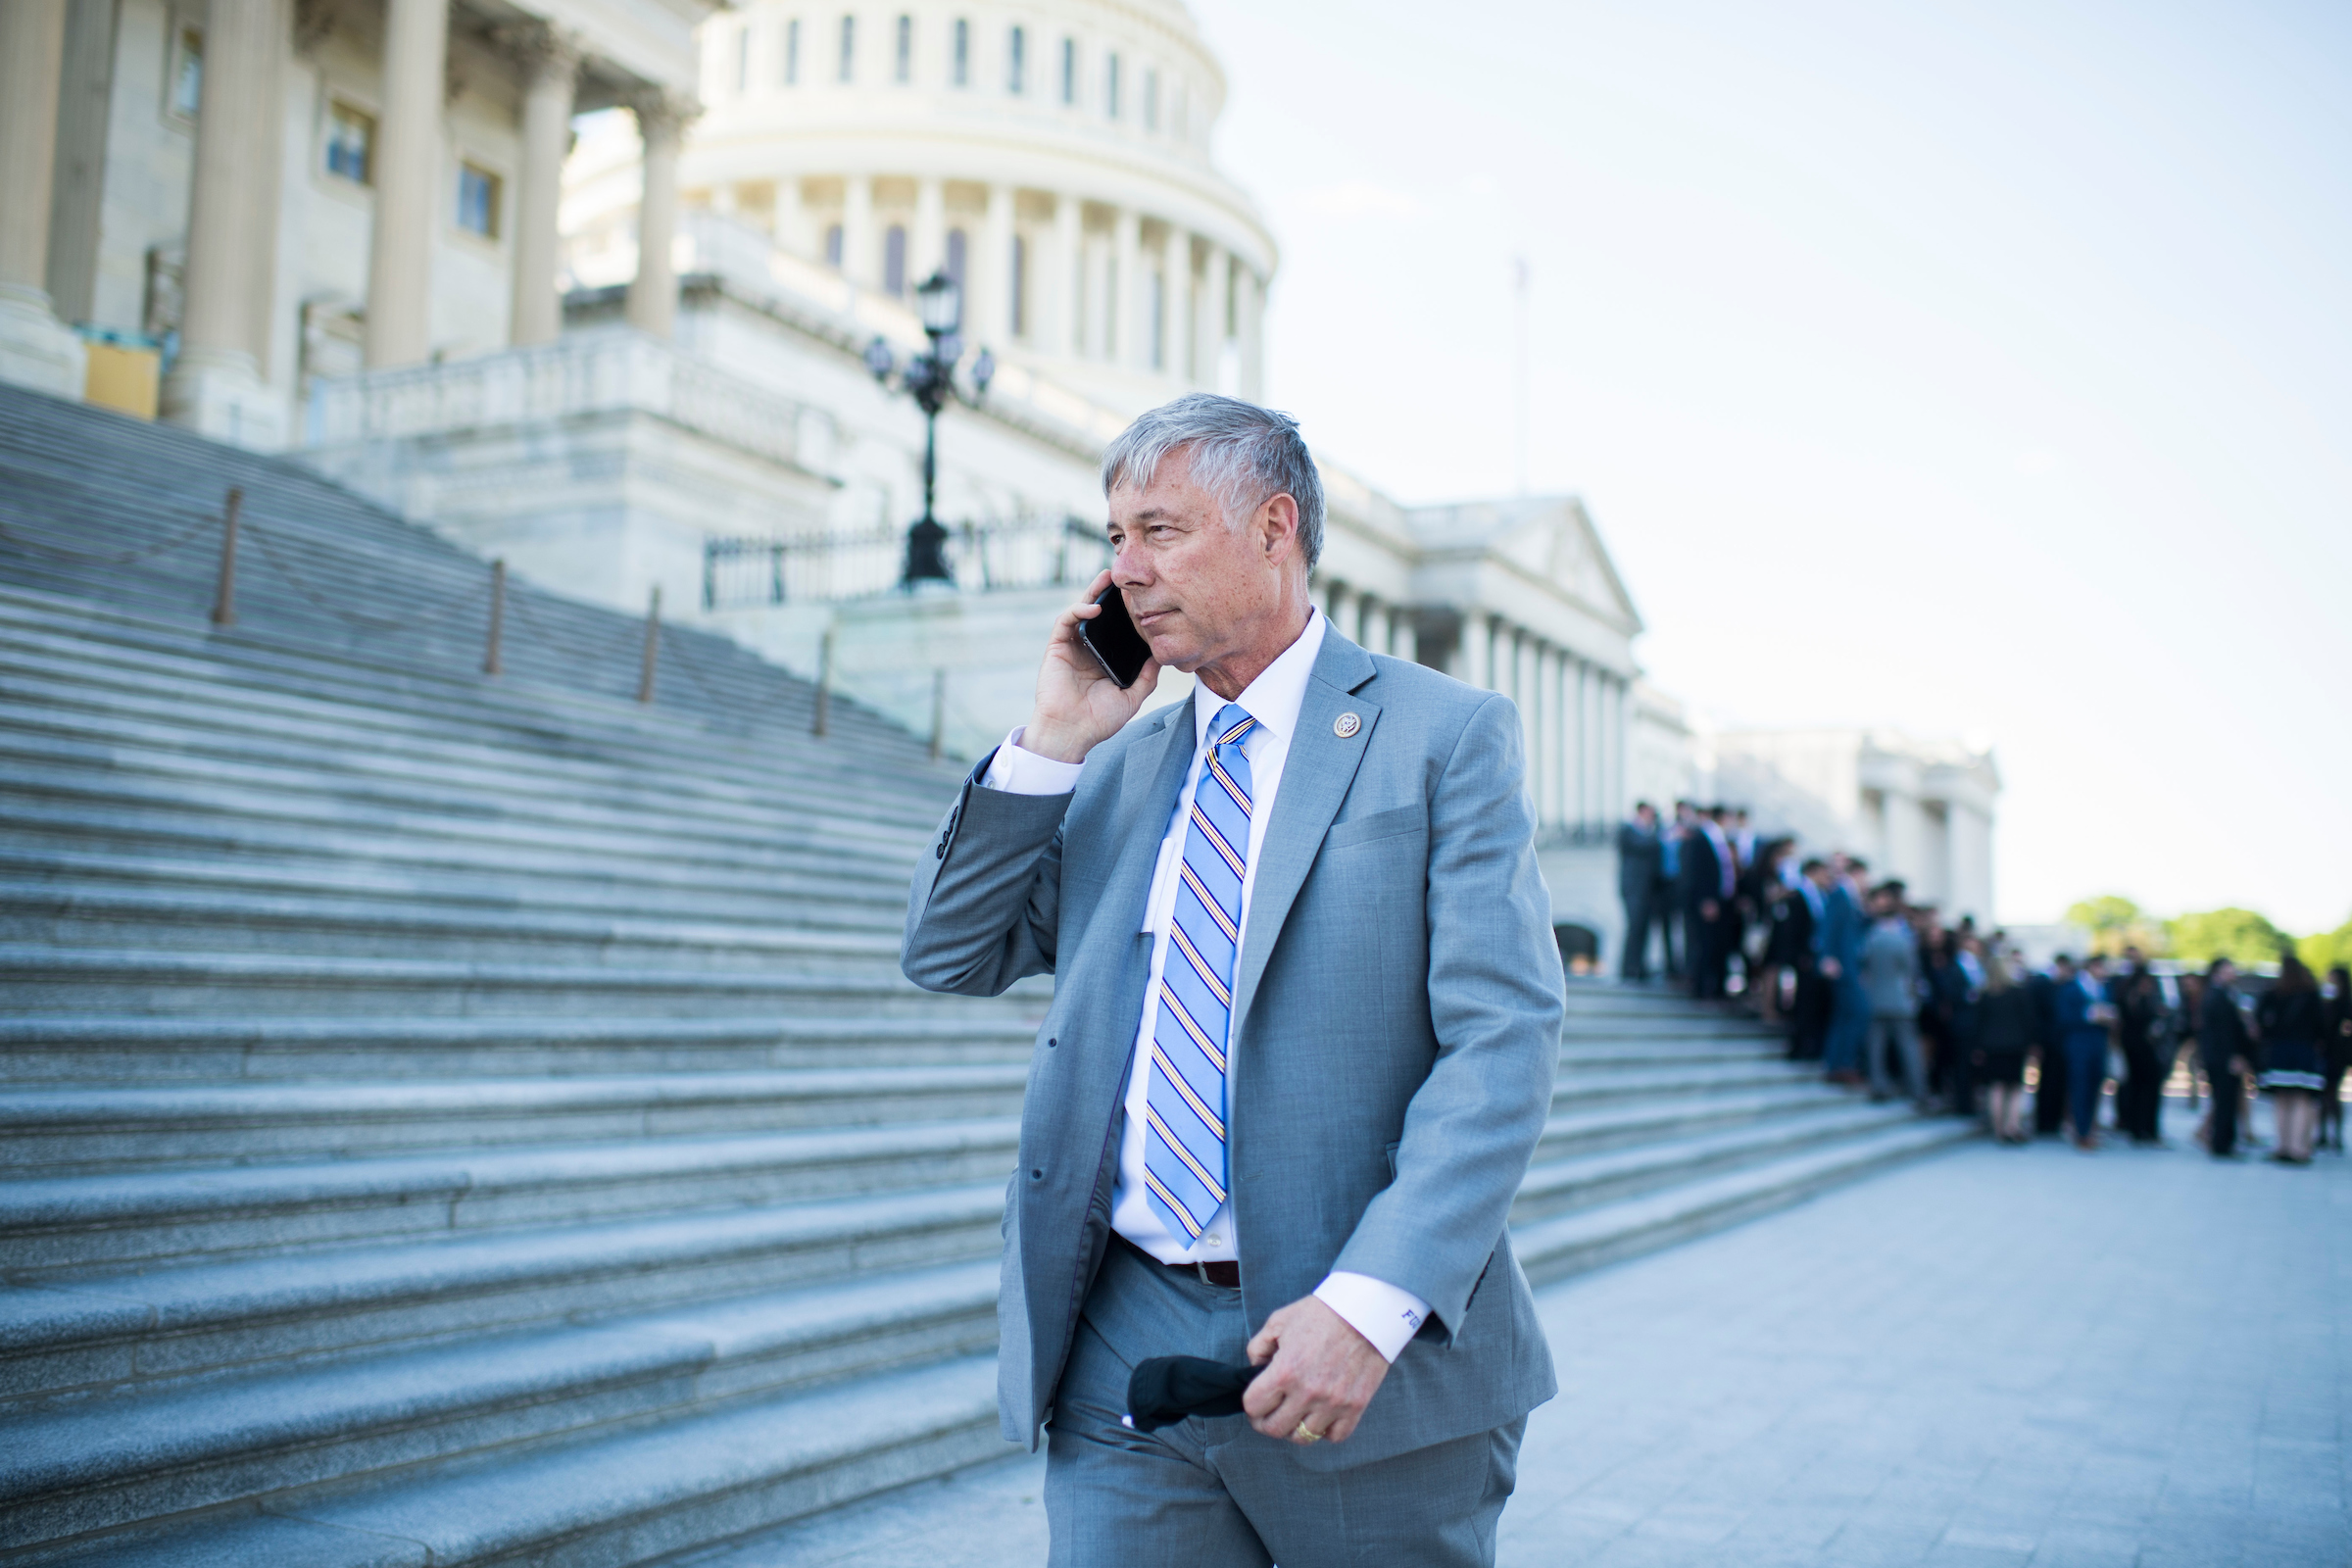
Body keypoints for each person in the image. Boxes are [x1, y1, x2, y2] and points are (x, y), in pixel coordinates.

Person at [901, 394, 1562, 1566]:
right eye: (1113, 538)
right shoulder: (1115, 765)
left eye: (1160, 531)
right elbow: (951, 950)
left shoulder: (1442, 734)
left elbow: (1502, 1039)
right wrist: (1055, 738)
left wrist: (1371, 1303)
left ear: (1273, 529)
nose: (1125, 571)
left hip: (1363, 1356)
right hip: (1125, 1352)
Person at [1859, 882, 1929, 1108]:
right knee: (1907, 1046)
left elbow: (1864, 964)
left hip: (1875, 997)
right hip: (1900, 998)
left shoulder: (1871, 938)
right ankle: (1918, 1090)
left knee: (1877, 1045)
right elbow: (1911, 970)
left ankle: (1879, 1085)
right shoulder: (1903, 939)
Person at [2256, 955, 2326, 1164]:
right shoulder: (2311, 995)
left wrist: (2271, 1035)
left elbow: (2260, 1019)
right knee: (2301, 1099)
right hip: (2303, 1051)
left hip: (2280, 1051)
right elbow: (2321, 1026)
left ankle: (2282, 1146)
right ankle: (2297, 1147)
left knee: (2281, 1100)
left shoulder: (2274, 993)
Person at [1815, 857, 1869, 1086]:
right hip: (1843, 967)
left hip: (1849, 965)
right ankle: (1841, 1063)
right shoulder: (1840, 894)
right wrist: (1826, 957)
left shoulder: (1852, 898)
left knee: (1845, 1014)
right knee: (1857, 1011)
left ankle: (1837, 1064)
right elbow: (1828, 926)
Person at [2053, 954, 2116, 1150]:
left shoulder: (2104, 989)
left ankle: (2090, 1126)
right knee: (2080, 1086)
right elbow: (2062, 1018)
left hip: (2099, 1045)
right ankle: (2081, 1131)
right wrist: (2089, 1015)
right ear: (2093, 967)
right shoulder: (2071, 988)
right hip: (2078, 1045)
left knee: (2096, 1087)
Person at [1974, 948, 2034, 1143]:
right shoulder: (2018, 993)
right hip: (2015, 1046)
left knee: (1996, 1087)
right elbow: (2028, 1020)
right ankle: (2012, 1126)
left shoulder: (1985, 995)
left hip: (1991, 1046)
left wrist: (1979, 1047)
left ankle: (1999, 1129)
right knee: (2015, 1088)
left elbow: (1978, 1023)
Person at [2198, 958, 2253, 1160]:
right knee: (2224, 1100)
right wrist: (2233, 1056)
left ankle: (2225, 1141)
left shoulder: (2223, 994)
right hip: (2222, 1058)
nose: (2233, 974)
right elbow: (2223, 1033)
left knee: (2226, 1100)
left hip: (2220, 1056)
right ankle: (2221, 1143)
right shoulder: (2218, 996)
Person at [2110, 951, 2167, 1146]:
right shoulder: (2136, 998)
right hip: (2140, 1048)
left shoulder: (2130, 995)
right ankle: (2142, 1127)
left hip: (2136, 1047)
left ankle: (2140, 1127)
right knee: (2142, 1087)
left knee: (2137, 1087)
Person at [1678, 806, 1734, 1001]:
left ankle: (1712, 988)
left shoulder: (1717, 838)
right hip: (1707, 902)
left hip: (1719, 901)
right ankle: (1701, 989)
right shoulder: (1701, 839)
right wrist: (1706, 900)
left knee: (1715, 945)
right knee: (1704, 945)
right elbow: (1697, 872)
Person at [1782, 858, 1828, 1060]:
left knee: (1813, 1003)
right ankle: (1798, 1046)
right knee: (1802, 1003)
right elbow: (1792, 930)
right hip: (1803, 959)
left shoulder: (1819, 895)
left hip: (1814, 957)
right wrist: (1799, 956)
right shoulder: (1798, 896)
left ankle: (1810, 1045)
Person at [1616, 803, 1662, 981]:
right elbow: (1641, 845)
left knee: (1644, 929)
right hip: (1633, 888)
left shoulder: (1649, 832)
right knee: (1634, 927)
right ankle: (1629, 968)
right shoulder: (1628, 831)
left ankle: (1640, 966)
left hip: (1648, 889)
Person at [2029, 956, 2071, 1138]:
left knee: (2058, 1083)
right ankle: (2044, 1122)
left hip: (2060, 1042)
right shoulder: (2041, 985)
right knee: (2046, 1082)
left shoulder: (2063, 986)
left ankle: (2053, 1122)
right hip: (2047, 1042)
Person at [2323, 965, 2352, 1153]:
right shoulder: (2328, 1000)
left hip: (2337, 1052)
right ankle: (2325, 1133)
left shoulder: (2344, 1002)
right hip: (2329, 1050)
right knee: (2326, 1093)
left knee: (2331, 1093)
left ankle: (2334, 1134)